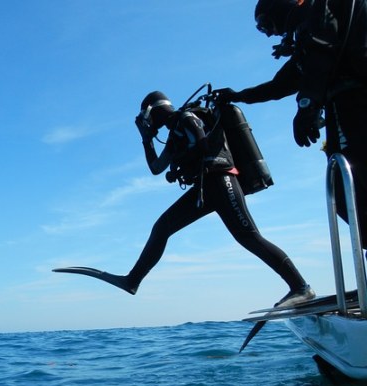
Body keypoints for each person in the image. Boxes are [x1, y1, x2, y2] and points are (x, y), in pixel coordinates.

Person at [66, 91, 314, 307]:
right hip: (207, 189)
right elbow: (156, 167)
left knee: (249, 237)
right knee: (162, 228)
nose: (148, 123)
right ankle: (133, 281)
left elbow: (204, 145)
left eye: (146, 118)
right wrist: (146, 139)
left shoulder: (186, 118)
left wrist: (183, 161)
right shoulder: (175, 132)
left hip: (222, 181)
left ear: (152, 111)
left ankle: (301, 287)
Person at [215, 0, 367, 249]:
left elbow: (320, 54)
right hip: (345, 108)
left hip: (355, 104)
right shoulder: (310, 35)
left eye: (265, 25)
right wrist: (239, 95)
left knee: (351, 184)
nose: (270, 33)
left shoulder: (320, 16)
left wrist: (307, 105)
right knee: (345, 193)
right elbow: (281, 84)